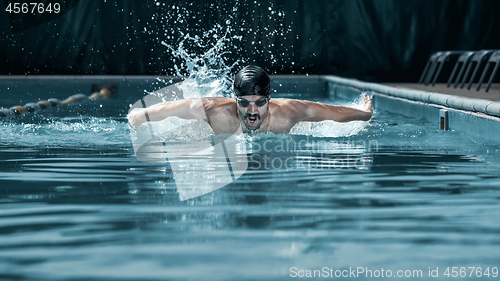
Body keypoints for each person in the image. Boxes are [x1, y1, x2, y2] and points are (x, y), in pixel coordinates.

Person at [128, 65, 373, 134]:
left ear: (270, 99)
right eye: (244, 103)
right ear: (235, 100)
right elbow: (169, 109)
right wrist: (138, 116)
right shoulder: (214, 111)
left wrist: (364, 113)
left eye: (259, 102)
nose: (252, 110)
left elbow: (332, 112)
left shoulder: (290, 112)